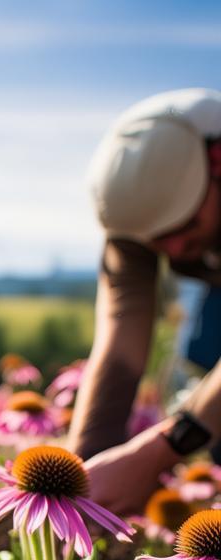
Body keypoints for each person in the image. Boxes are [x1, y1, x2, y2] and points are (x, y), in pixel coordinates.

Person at [70, 88, 221, 514]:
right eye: (157, 238)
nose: (173, 249)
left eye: (187, 222)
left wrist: (160, 451)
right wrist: (82, 475)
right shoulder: (135, 220)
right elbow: (120, 342)